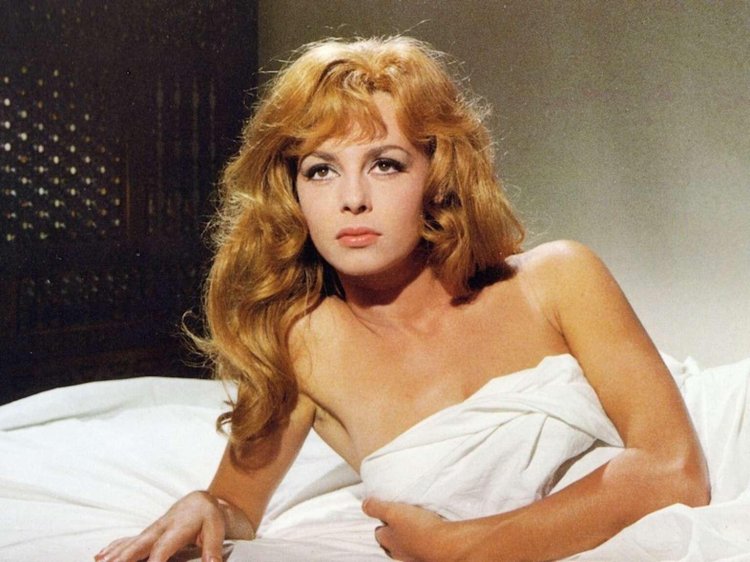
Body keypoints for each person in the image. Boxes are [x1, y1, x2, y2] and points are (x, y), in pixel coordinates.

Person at [95, 36, 709, 562]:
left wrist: (459, 547)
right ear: (292, 191)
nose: (352, 199)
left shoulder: (559, 278)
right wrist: (207, 504)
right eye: (320, 170)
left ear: (437, 175)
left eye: (385, 165)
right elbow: (237, 503)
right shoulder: (300, 341)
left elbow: (675, 473)